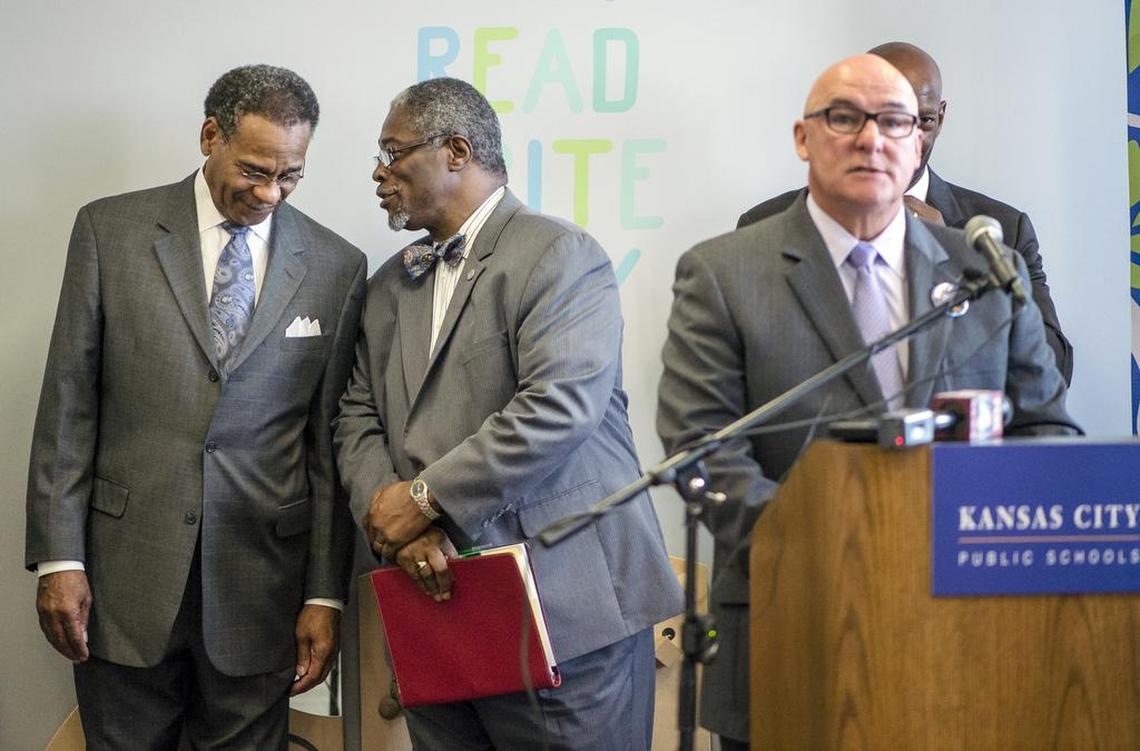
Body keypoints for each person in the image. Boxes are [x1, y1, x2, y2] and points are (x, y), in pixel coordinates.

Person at [657, 54, 1079, 749]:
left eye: (893, 121)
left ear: (919, 142)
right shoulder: (723, 272)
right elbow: (703, 446)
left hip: (969, 628)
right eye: (844, 117)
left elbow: (1046, 430)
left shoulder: (985, 270)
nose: (870, 138)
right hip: (789, 622)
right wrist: (840, 552)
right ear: (803, 137)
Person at [333, 77, 682, 750]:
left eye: (393, 151)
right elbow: (356, 418)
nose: (378, 173)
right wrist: (396, 520)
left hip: (568, 612)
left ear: (457, 150)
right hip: (436, 612)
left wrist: (426, 499)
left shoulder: (557, 255)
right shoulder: (386, 286)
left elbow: (557, 407)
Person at [26, 64, 366, 749]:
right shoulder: (109, 231)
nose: (270, 192)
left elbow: (323, 450)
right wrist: (59, 557)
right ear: (211, 135)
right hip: (124, 578)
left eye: (291, 174)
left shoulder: (338, 265)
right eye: (255, 169)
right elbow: (69, 404)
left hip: (260, 590)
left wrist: (324, 594)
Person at [737, 42, 1074, 385]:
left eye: (922, 120)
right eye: (888, 120)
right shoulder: (765, 226)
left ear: (940, 118)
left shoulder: (1001, 230)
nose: (902, 138)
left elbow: (1052, 371)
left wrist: (955, 262)